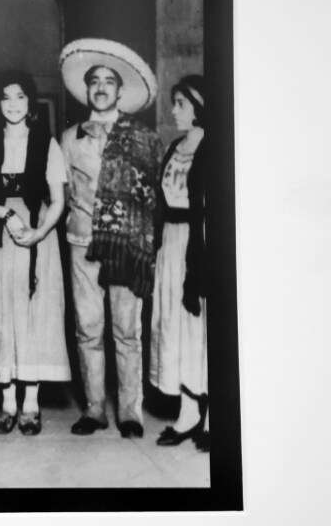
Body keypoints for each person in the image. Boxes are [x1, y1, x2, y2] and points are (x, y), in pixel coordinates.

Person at [58, 38, 165, 438]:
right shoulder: (69, 138)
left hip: (127, 247)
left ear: (120, 90)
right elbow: (61, 192)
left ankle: (131, 412)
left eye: (109, 81)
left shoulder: (144, 139)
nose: (101, 87)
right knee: (88, 328)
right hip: (82, 242)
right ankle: (93, 408)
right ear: (87, 90)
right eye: (94, 81)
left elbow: (155, 198)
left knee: (127, 330)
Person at [0, 71, 71, 435]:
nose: (13, 105)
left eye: (21, 97)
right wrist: (6, 214)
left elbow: (58, 200)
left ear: (31, 103)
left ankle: (31, 403)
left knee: (34, 312)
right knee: (0, 311)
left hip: (35, 232)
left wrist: (40, 232)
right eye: (6, 98)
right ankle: (8, 402)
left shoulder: (47, 143)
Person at [150, 75, 209, 450]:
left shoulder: (217, 147)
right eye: (174, 103)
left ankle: (214, 417)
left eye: (181, 104)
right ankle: (187, 412)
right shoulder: (175, 146)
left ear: (200, 107)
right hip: (171, 244)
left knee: (202, 328)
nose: (174, 111)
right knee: (175, 324)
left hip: (200, 245)